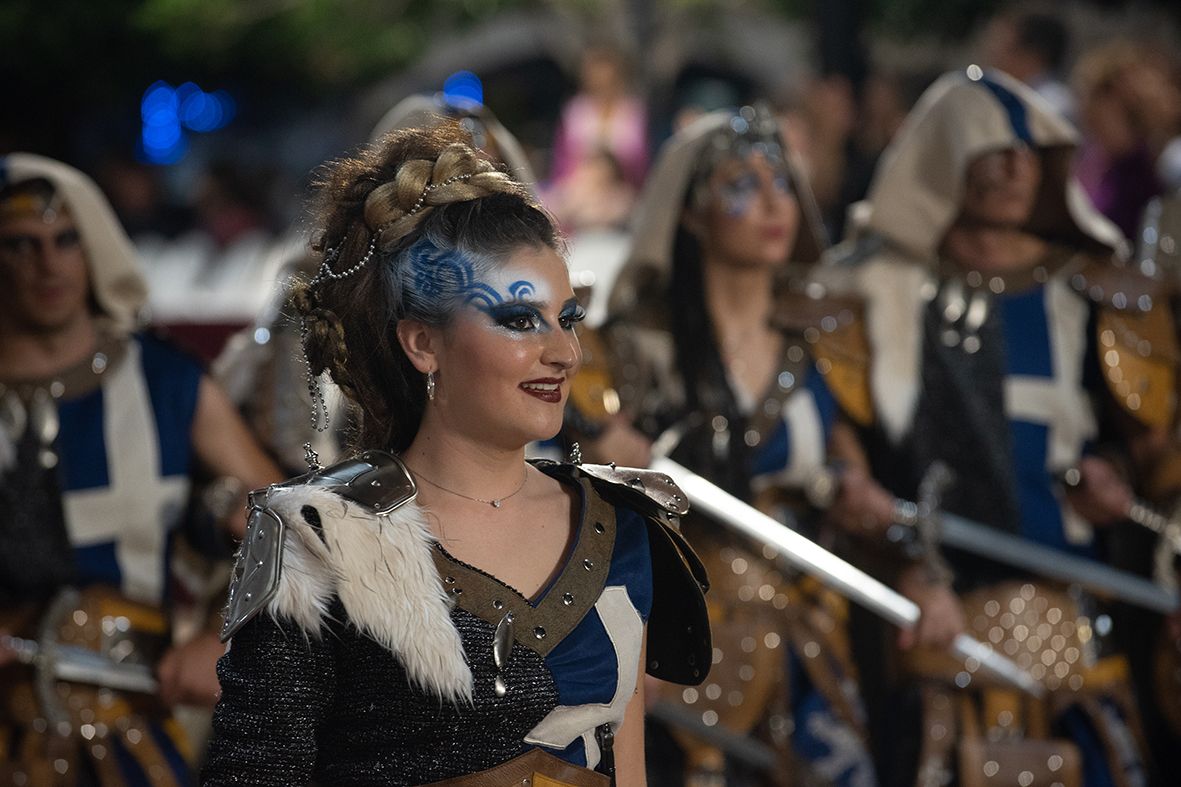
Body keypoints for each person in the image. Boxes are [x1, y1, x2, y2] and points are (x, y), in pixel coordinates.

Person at [202, 122, 711, 786]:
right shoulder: (318, 534)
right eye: (519, 319)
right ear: (422, 344)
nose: (564, 353)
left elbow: (628, 767)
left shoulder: (624, 527)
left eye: (568, 318)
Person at [815, 68, 1176, 787]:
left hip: (1080, 630)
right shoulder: (867, 292)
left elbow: (1156, 458)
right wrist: (885, 532)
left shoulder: (1098, 291)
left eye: (1027, 148)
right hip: (931, 629)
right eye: (990, 147)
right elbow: (837, 449)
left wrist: (1117, 477)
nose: (1014, 165)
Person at [589, 106, 878, 787]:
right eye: (740, 185)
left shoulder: (824, 333)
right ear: (689, 213)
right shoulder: (637, 346)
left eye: (779, 179)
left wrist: (857, 490)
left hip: (809, 626)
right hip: (682, 629)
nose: (773, 202)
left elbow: (846, 460)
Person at [0, 153, 281, 785]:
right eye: (20, 244)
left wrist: (222, 635)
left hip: (135, 724)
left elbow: (286, 520)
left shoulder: (165, 382)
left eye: (65, 240)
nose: (47, 263)